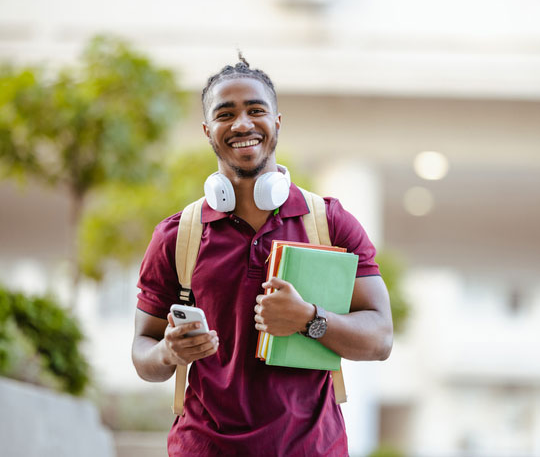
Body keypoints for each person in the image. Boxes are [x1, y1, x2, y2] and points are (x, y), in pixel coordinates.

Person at [131, 56, 394, 456]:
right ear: (207, 131)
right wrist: (169, 351)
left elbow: (380, 339)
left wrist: (310, 320)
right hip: (203, 448)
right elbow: (142, 352)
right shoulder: (178, 235)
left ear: (277, 123)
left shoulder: (329, 222)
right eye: (226, 114)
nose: (242, 124)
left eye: (256, 110)